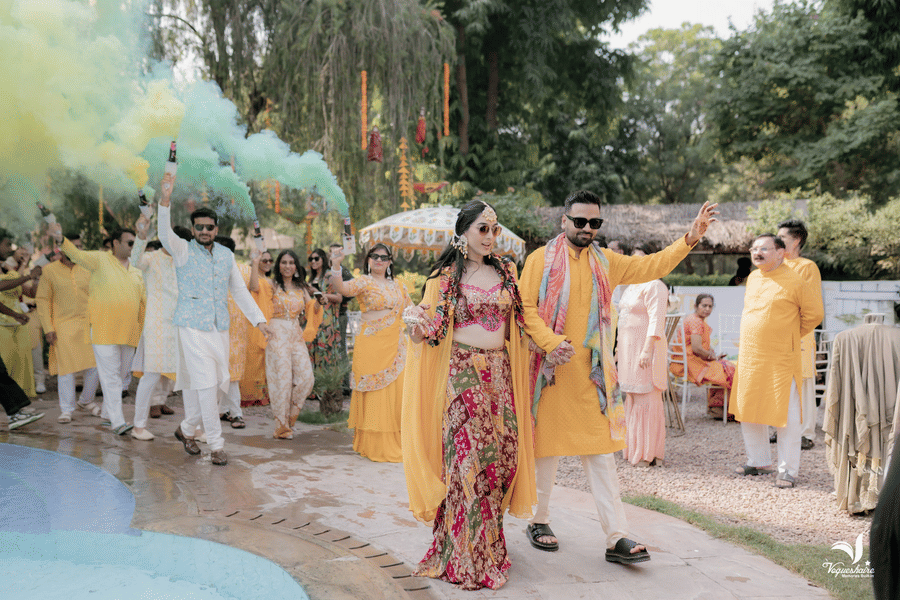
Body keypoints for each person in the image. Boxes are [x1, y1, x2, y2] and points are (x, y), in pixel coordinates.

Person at [520, 190, 717, 563]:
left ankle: (616, 537)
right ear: (564, 221)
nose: (587, 228)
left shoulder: (605, 261)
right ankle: (538, 519)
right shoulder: (538, 261)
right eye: (580, 221)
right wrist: (549, 341)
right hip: (551, 375)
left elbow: (651, 268)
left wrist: (689, 238)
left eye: (595, 222)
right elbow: (526, 306)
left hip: (594, 378)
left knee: (601, 458)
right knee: (544, 454)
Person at [401, 200, 536, 590]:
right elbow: (431, 325)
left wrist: (550, 344)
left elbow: (525, 320)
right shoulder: (443, 279)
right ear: (463, 233)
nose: (491, 237)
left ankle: (489, 548)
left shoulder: (508, 272)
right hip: (461, 374)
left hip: (500, 374)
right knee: (467, 464)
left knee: (499, 463)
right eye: (483, 229)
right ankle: (464, 555)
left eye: (494, 230)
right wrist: (415, 325)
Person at [157, 173, 269, 466]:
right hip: (191, 327)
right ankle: (217, 445)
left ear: (215, 228)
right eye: (199, 227)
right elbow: (163, 232)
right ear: (193, 229)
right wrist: (164, 202)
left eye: (209, 227)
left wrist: (259, 321)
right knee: (207, 384)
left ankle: (185, 430)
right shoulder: (181, 251)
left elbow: (240, 291)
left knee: (219, 383)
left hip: (220, 328)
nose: (204, 231)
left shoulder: (225, 256)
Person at [731, 234, 824, 488]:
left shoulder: (795, 280)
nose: (757, 253)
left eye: (764, 249)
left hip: (781, 357)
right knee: (749, 409)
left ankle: (788, 469)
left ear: (781, 252)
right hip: (751, 355)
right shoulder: (753, 278)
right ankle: (759, 460)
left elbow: (815, 314)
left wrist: (790, 335)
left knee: (787, 414)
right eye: (754, 248)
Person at [49, 223, 146, 435]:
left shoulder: (137, 270)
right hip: (102, 329)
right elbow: (74, 253)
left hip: (129, 332)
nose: (133, 246)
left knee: (120, 377)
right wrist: (58, 235)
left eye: (135, 243)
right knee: (110, 376)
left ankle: (105, 415)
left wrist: (142, 331)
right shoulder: (100, 260)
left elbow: (142, 303)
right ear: (114, 243)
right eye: (130, 242)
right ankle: (117, 421)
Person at [328, 243, 412, 463]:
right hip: (371, 345)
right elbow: (343, 290)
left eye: (383, 257)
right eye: (374, 256)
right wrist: (336, 265)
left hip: (395, 345)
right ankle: (372, 443)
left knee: (394, 392)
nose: (379, 260)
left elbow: (411, 311)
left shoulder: (399, 287)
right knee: (374, 391)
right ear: (368, 260)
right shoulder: (364, 282)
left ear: (390, 261)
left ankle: (396, 441)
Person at [129, 216, 191, 440]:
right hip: (156, 326)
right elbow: (134, 260)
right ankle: (138, 426)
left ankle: (195, 429)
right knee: (151, 375)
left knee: (192, 378)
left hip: (182, 326)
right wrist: (141, 236)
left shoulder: (186, 262)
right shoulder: (152, 258)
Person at [35, 233, 100, 423]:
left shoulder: (88, 268)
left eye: (79, 246)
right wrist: (48, 328)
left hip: (88, 324)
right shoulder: (50, 271)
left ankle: (86, 401)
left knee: (95, 366)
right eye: (73, 246)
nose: (76, 249)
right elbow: (43, 300)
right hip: (62, 326)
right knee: (66, 369)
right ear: (61, 248)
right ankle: (66, 409)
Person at [616, 244, 669, 467]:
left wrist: (647, 349)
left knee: (647, 398)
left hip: (646, 347)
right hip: (628, 347)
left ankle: (648, 453)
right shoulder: (630, 287)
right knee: (632, 397)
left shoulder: (655, 285)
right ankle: (633, 449)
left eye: (640, 258)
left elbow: (657, 319)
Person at [778, 218, 822, 450]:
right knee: (781, 381)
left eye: (783, 238)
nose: (778, 241)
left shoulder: (807, 267)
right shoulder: (775, 267)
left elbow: (811, 304)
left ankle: (806, 433)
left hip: (800, 333)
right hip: (778, 335)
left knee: (803, 383)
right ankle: (782, 426)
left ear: (796, 241)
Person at [265, 249, 320, 439]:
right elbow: (254, 289)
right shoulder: (271, 285)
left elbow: (312, 308)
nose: (288, 266)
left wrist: (320, 301)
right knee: (282, 380)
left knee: (306, 378)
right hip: (276, 331)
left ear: (296, 266)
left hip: (295, 333)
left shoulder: (301, 287)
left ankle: (289, 417)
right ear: (278, 265)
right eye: (284, 262)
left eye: (291, 263)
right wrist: (256, 261)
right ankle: (281, 426)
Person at [669, 293, 736, 419]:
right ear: (696, 306)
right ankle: (725, 411)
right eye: (704, 305)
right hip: (691, 364)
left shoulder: (694, 319)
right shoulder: (696, 322)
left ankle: (719, 409)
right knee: (730, 371)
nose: (707, 309)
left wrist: (713, 355)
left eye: (710, 306)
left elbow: (701, 347)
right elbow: (697, 348)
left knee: (727, 367)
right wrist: (714, 358)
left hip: (686, 361)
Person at [215, 235, 251, 430]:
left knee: (233, 373)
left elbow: (254, 288)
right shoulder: (209, 272)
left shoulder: (243, 270)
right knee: (217, 372)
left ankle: (236, 413)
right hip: (214, 328)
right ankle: (222, 409)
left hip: (237, 330)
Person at [0, 242, 39, 397]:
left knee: (22, 361)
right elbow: (3, 286)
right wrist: (28, 275)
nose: (10, 249)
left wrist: (36, 279)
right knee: (6, 361)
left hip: (19, 323)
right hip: (2, 323)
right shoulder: (10, 274)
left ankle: (20, 397)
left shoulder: (11, 272)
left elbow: (30, 292)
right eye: (7, 246)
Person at [240, 250, 274, 406]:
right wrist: (255, 262)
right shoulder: (253, 277)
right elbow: (254, 287)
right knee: (254, 358)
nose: (267, 263)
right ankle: (249, 395)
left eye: (269, 261)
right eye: (264, 260)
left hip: (269, 321)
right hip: (255, 323)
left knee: (266, 360)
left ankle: (262, 394)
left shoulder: (270, 280)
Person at [306, 248, 344, 374]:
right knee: (313, 350)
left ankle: (328, 387)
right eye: (311, 259)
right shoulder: (311, 278)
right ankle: (315, 387)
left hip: (326, 320)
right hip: (313, 319)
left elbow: (339, 297)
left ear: (323, 259)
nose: (313, 261)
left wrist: (319, 293)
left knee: (325, 350)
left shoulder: (330, 275)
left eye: (316, 258)